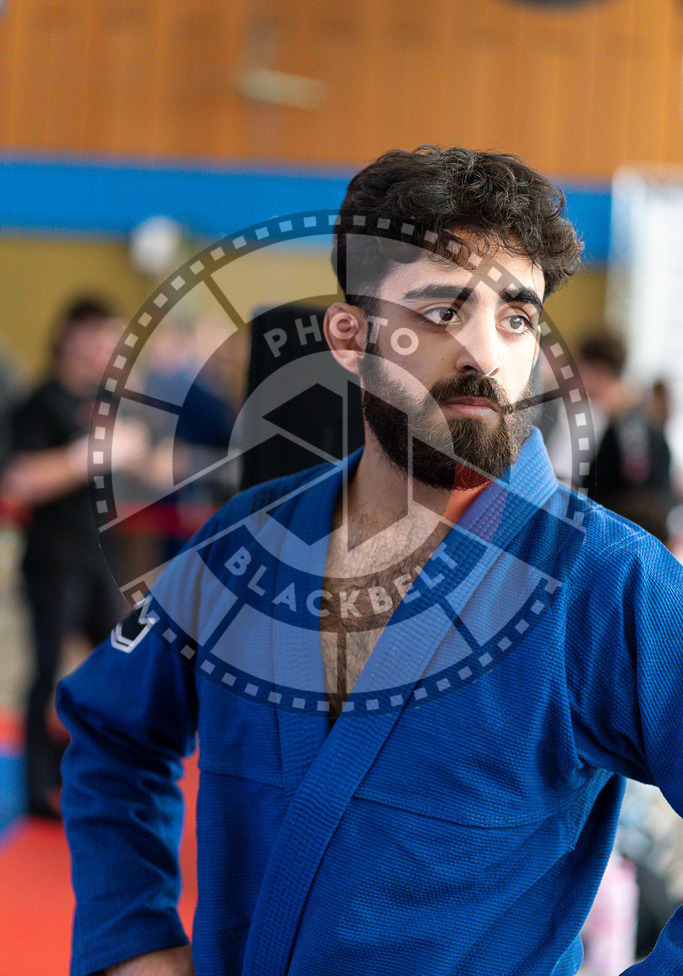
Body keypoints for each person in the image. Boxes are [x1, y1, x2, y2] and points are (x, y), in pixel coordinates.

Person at [57, 148, 683, 976]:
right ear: (348, 338)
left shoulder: (605, 582)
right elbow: (111, 731)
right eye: (441, 309)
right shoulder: (244, 547)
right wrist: (129, 932)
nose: (483, 352)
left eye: (516, 317)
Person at [2, 295, 149, 818]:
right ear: (70, 335)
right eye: (98, 336)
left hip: (98, 557)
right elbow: (20, 480)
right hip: (52, 558)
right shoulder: (40, 401)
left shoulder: (103, 401)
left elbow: (138, 468)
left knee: (123, 666)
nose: (107, 349)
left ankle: (100, 772)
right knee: (46, 672)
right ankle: (38, 789)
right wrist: (90, 455)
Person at [578, 331, 675, 543]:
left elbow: (639, 503)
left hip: (625, 546)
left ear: (598, 370)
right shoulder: (622, 422)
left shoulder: (631, 427)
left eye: (581, 370)